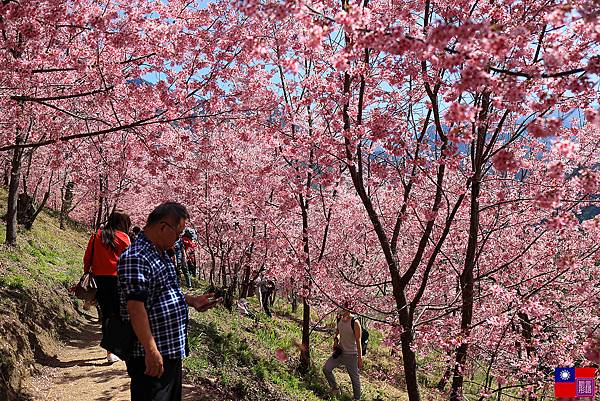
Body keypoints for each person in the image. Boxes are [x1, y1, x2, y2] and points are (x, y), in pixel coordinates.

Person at [117, 202, 221, 401]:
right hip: (152, 353)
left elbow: (166, 292)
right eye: (178, 233)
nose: (179, 240)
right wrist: (151, 350)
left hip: (171, 348)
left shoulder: (161, 253)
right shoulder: (136, 257)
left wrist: (192, 301)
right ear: (163, 227)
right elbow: (135, 308)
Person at [83, 210, 131, 363]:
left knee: (107, 314)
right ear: (123, 223)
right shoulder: (124, 238)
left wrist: (87, 273)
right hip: (119, 280)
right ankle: (115, 349)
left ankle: (110, 351)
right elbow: (130, 261)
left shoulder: (96, 236)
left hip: (100, 280)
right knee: (118, 314)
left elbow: (87, 258)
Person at [323, 301, 362, 400]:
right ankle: (335, 388)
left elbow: (358, 341)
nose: (340, 310)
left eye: (343, 308)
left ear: (348, 309)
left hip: (351, 355)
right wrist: (336, 339)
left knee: (354, 378)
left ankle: (357, 398)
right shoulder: (339, 318)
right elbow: (338, 332)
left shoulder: (355, 322)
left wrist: (360, 358)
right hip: (340, 352)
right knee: (326, 369)